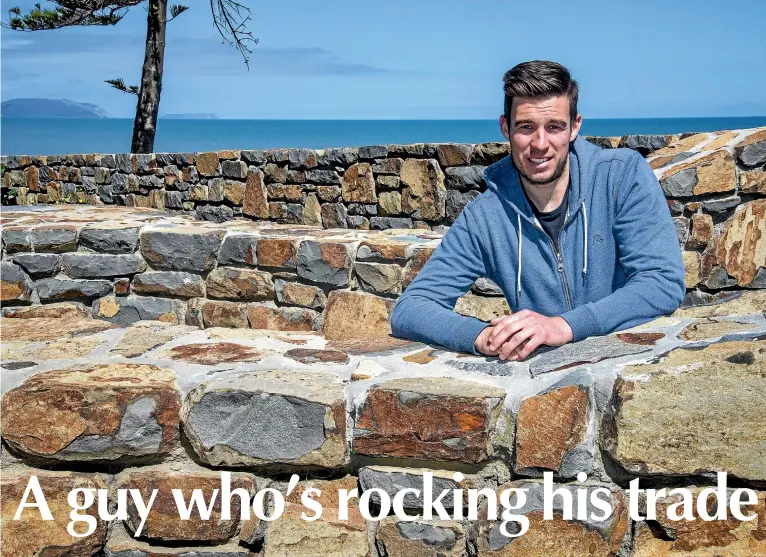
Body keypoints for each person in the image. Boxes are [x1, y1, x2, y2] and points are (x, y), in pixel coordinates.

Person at [390, 60, 685, 361]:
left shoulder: (621, 176)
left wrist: (563, 326)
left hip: (631, 368)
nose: (540, 144)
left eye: (554, 127)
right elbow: (411, 309)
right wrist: (482, 336)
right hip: (545, 391)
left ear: (575, 127)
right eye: (526, 127)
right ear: (505, 128)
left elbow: (662, 281)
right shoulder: (486, 217)